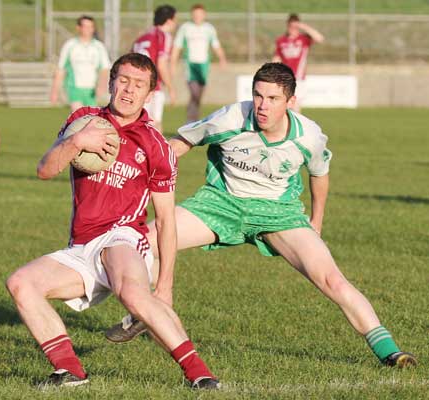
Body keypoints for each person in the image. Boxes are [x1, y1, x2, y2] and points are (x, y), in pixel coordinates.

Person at [106, 62, 417, 370]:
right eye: (258, 96)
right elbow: (180, 143)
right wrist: (138, 171)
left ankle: (391, 352)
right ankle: (148, 313)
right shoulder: (231, 117)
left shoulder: (308, 136)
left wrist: (317, 220)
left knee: (332, 280)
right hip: (221, 204)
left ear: (291, 102)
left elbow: (319, 175)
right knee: (144, 241)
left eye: (273, 99)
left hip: (278, 214)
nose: (262, 105)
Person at [6, 52, 220, 391]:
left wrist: (164, 285)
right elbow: (45, 170)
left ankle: (201, 375)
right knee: (21, 283)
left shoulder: (156, 146)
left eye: (139, 85)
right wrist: (77, 142)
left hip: (124, 237)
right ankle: (70, 372)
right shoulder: (83, 121)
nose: (129, 90)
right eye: (123, 80)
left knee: (133, 292)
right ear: (110, 82)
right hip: (81, 245)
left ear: (150, 94)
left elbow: (165, 220)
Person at [171, 3, 227, 123]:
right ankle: (191, 121)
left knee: (198, 95)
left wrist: (222, 59)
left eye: (200, 14)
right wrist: (173, 64)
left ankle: (194, 118)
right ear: (192, 15)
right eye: (195, 14)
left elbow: (215, 45)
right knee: (194, 93)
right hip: (190, 65)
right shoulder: (185, 28)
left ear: (204, 15)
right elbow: (177, 46)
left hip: (204, 66)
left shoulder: (209, 28)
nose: (197, 17)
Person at [50, 15, 111, 112]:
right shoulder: (70, 45)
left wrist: (101, 85)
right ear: (78, 28)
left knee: (91, 119)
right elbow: (61, 69)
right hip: (74, 88)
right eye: (85, 26)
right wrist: (54, 91)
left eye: (90, 27)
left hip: (92, 90)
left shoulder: (99, 47)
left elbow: (105, 69)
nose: (88, 30)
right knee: (77, 117)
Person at [132, 5, 177, 132]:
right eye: (175, 20)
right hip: (152, 86)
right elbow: (161, 64)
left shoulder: (142, 37)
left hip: (135, 85)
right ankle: (157, 152)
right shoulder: (163, 36)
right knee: (155, 124)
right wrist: (171, 88)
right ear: (169, 20)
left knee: (138, 122)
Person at [272, 14, 324, 112]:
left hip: (299, 79)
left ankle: (296, 126)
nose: (292, 29)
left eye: (295, 27)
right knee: (284, 107)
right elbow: (276, 58)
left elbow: (320, 38)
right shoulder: (281, 41)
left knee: (294, 105)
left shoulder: (303, 39)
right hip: (285, 77)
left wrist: (303, 26)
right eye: (291, 26)